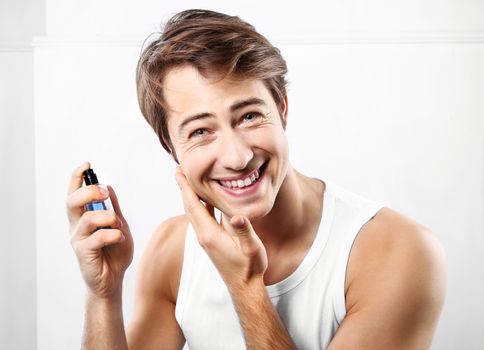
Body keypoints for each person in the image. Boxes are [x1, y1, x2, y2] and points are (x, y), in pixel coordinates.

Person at [66, 9, 447, 350]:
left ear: (281, 105)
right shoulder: (171, 251)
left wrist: (247, 287)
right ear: (171, 146)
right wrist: (104, 294)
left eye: (249, 116)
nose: (238, 157)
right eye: (201, 131)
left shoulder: (397, 251)